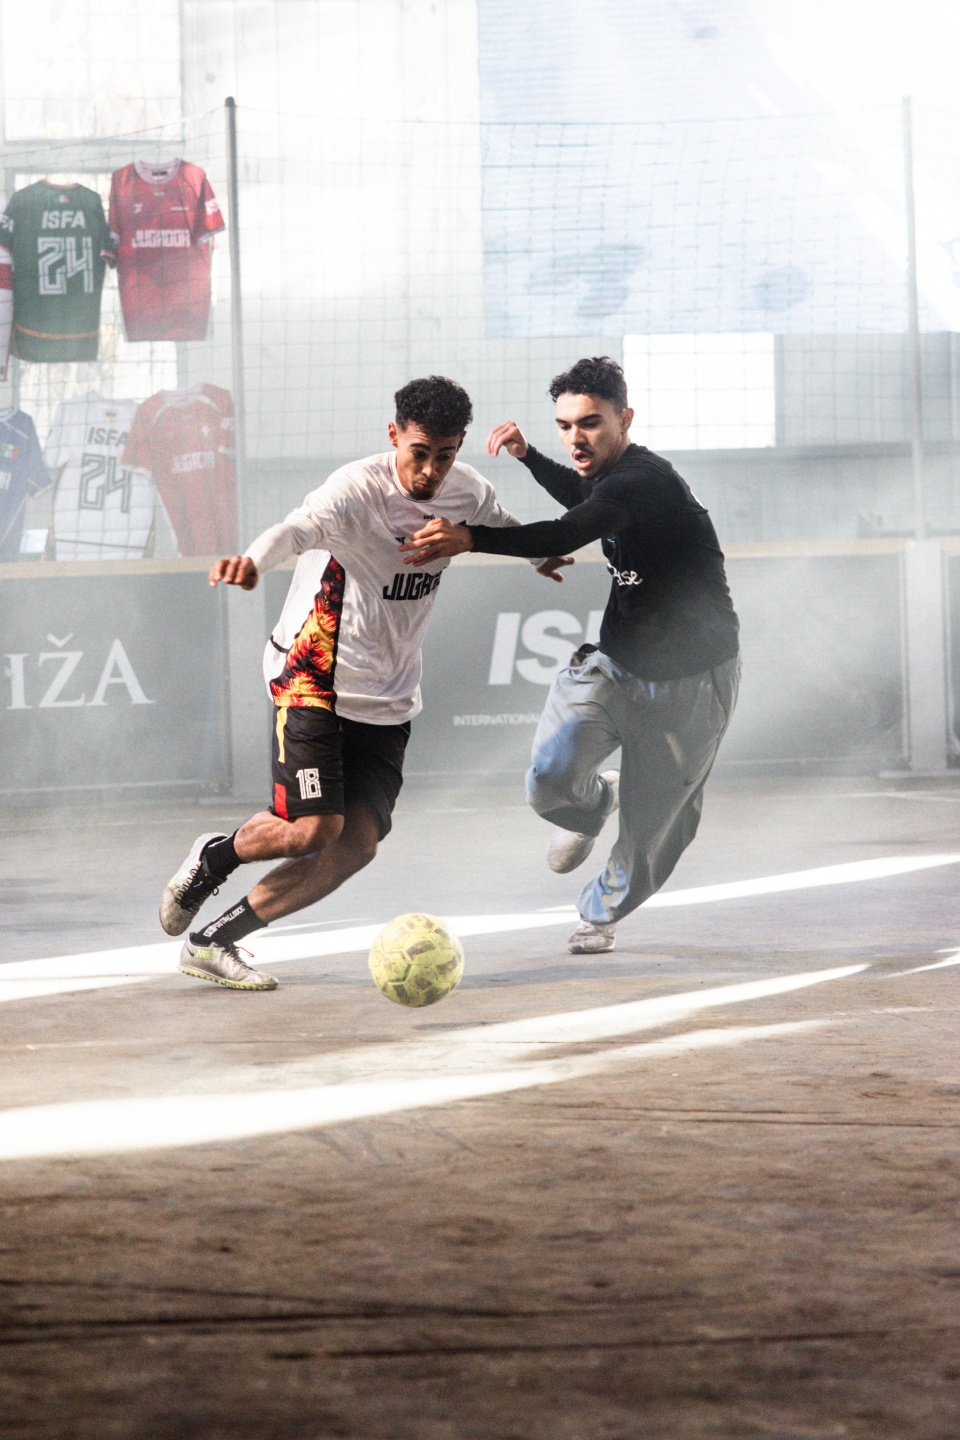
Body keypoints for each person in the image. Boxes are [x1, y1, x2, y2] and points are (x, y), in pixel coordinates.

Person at [159, 375, 568, 989]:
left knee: (356, 845)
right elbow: (294, 531)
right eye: (419, 452)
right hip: (313, 674)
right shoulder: (353, 491)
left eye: (444, 455)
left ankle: (212, 942)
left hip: (389, 692)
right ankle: (214, 857)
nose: (430, 471)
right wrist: (253, 561)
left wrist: (539, 555)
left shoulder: (466, 490)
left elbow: (498, 522)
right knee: (312, 828)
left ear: (458, 448)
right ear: (393, 435)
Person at [401, 356, 741, 956]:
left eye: (590, 423)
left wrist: (471, 537)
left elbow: (567, 531)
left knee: (655, 830)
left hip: (693, 676)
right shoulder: (608, 478)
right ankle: (594, 803)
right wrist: (530, 456)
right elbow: (583, 494)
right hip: (616, 662)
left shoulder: (643, 481)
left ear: (625, 419)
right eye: (564, 425)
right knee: (550, 779)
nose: (576, 439)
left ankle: (599, 912)